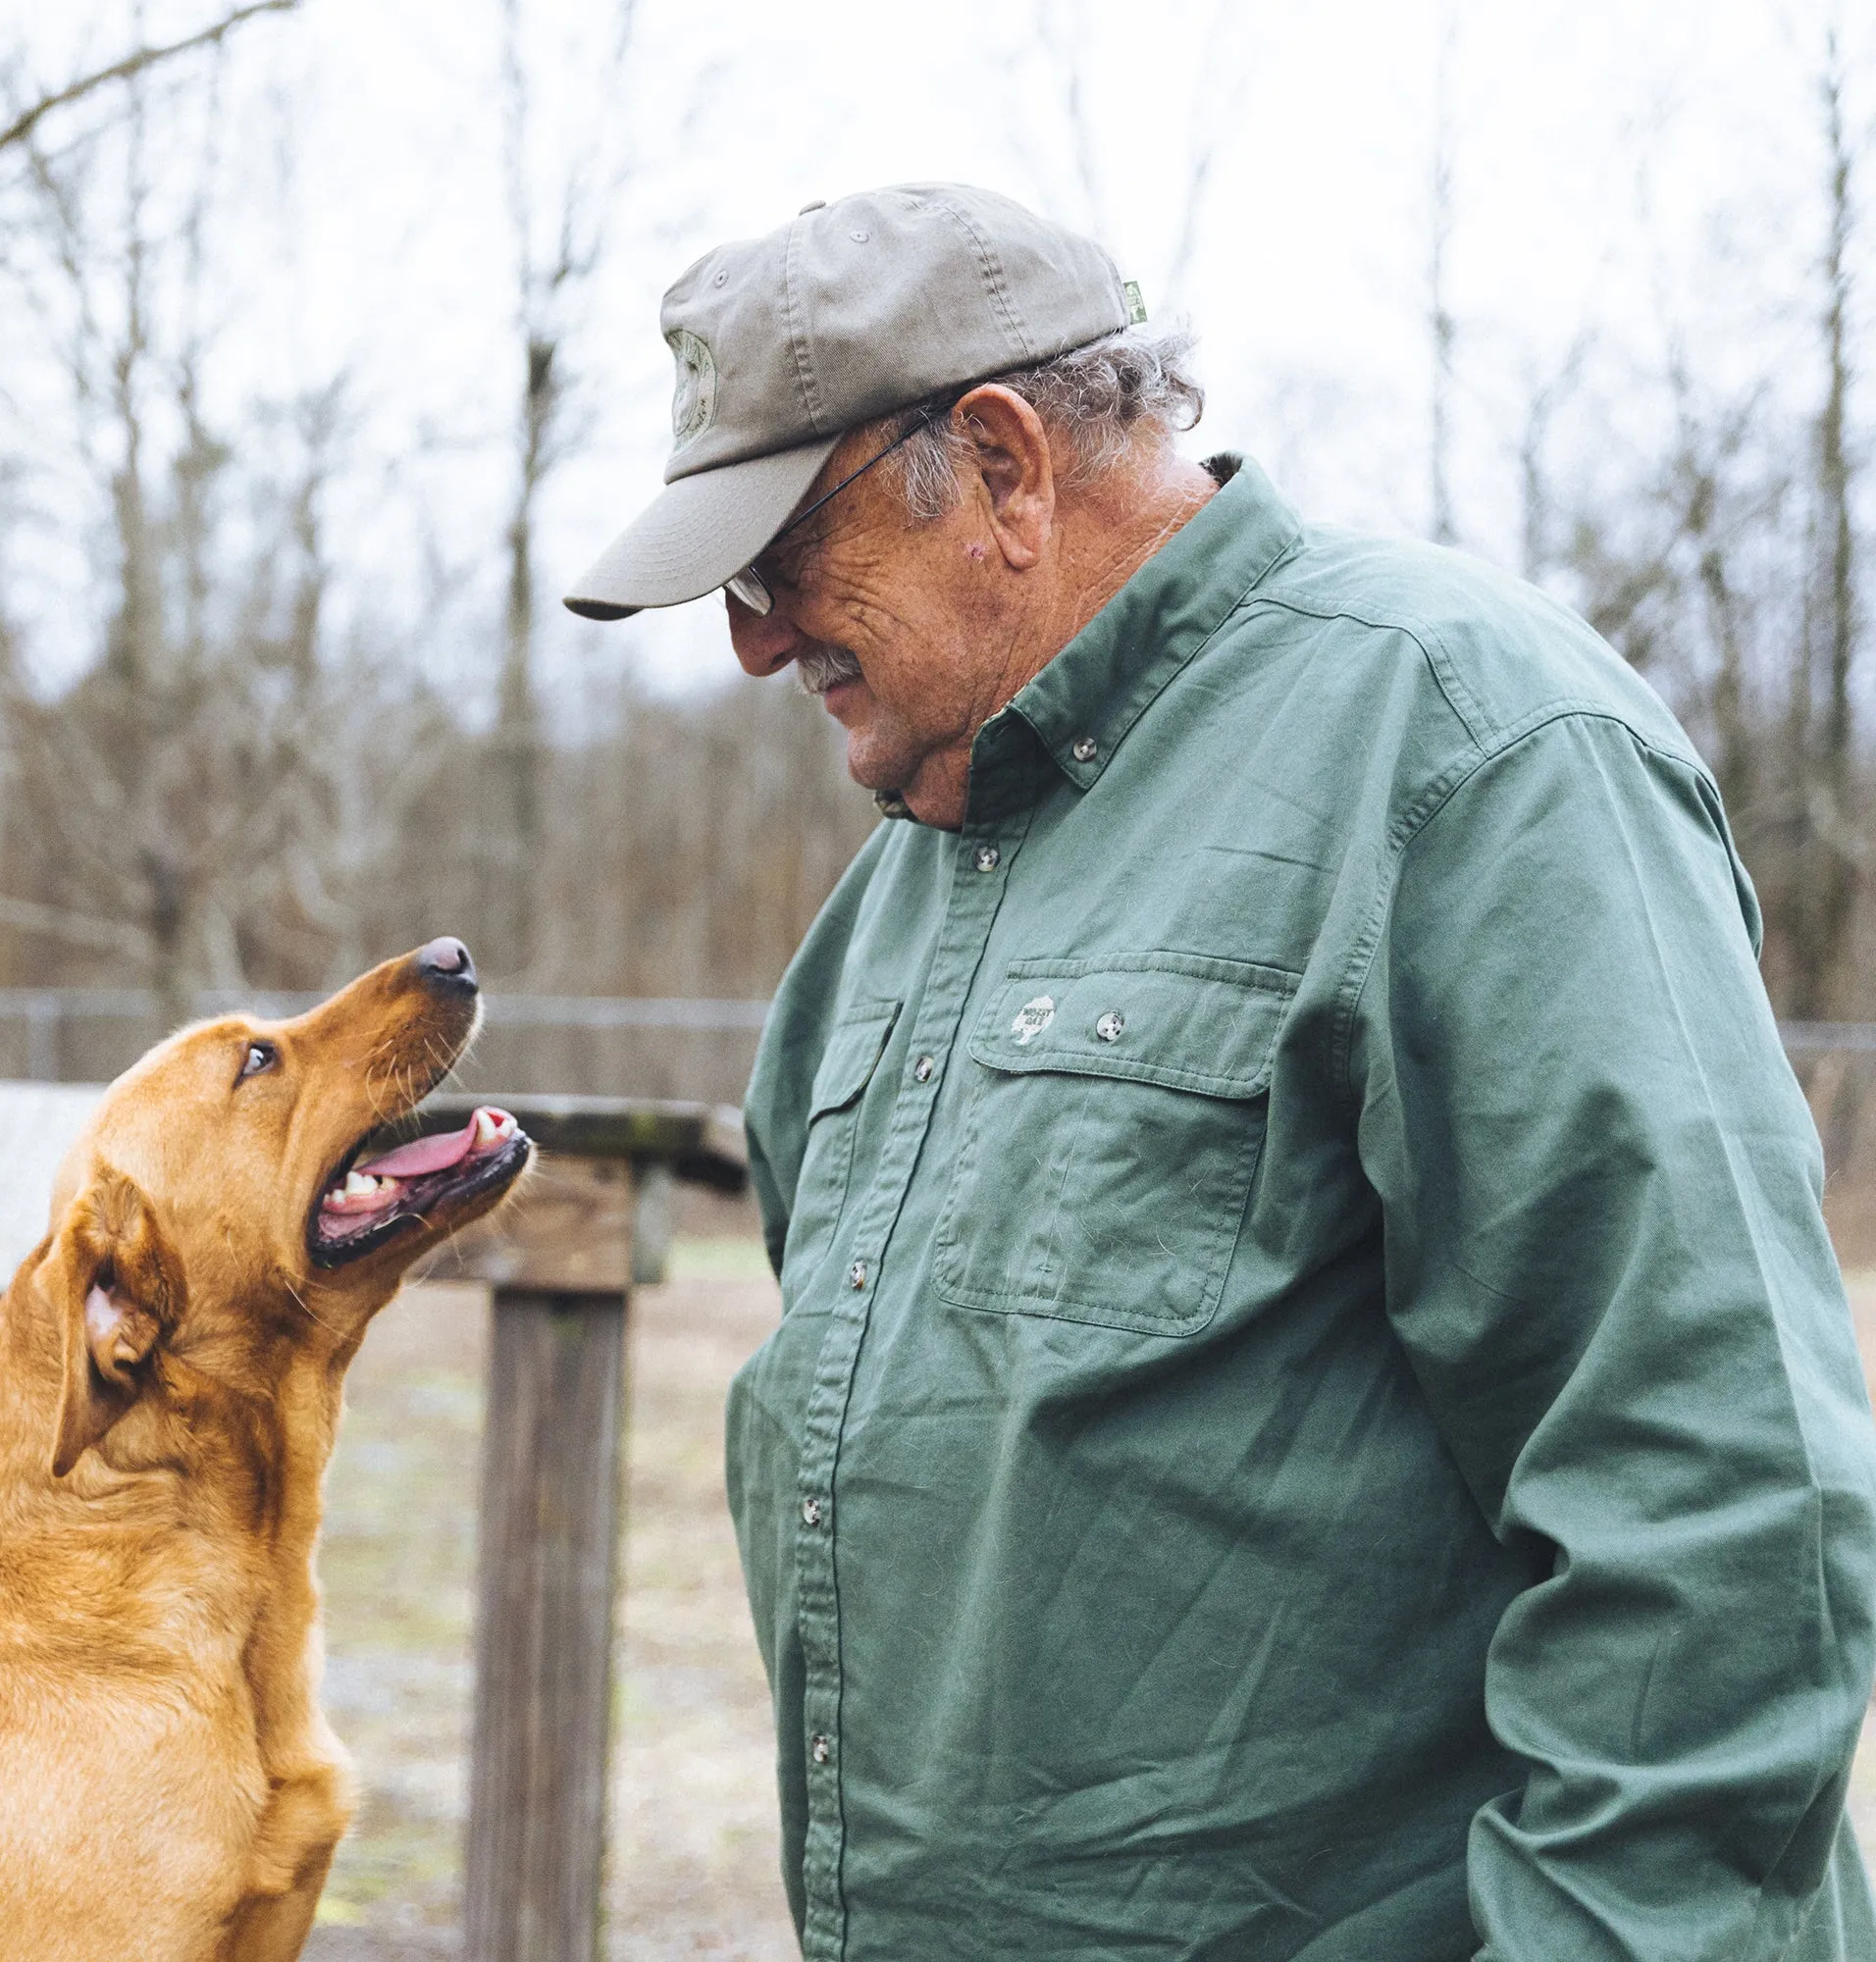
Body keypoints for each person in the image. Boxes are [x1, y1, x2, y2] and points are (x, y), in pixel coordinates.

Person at [564, 181, 1876, 1960]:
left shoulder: (1470, 748)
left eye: (776, 563)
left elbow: (1721, 1512)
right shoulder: (890, 901)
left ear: (1009, 467)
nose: (753, 641)